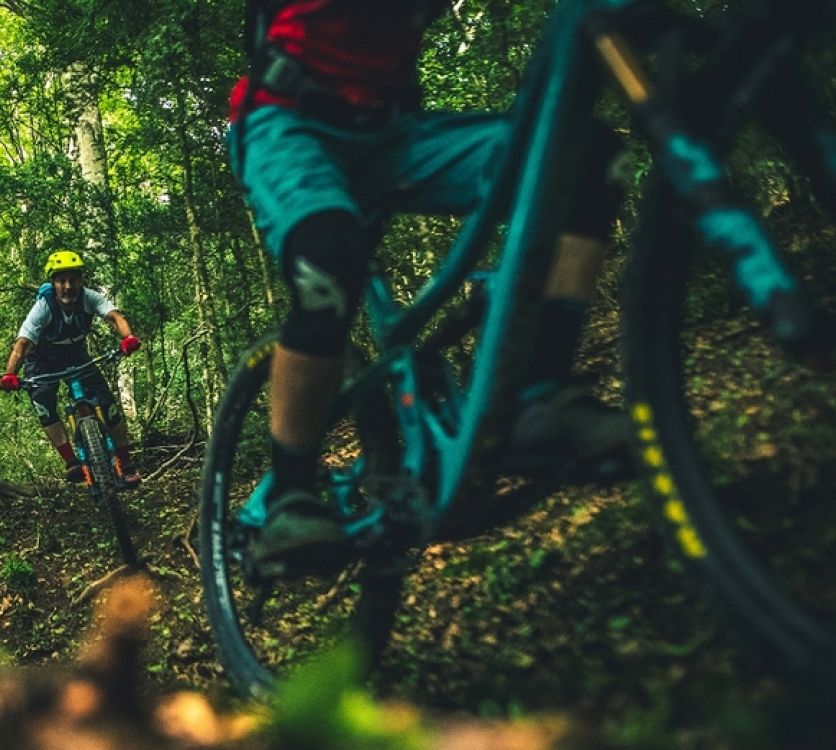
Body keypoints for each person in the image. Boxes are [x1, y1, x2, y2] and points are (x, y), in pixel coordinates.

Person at [229, 0, 635, 571]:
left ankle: (539, 398)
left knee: (586, 158)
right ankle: (291, 495)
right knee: (327, 264)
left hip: (397, 134)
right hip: (286, 120)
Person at [0, 250, 144, 486]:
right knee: (44, 408)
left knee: (109, 409)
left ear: (81, 280)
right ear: (53, 283)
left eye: (73, 279)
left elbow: (115, 317)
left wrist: (128, 338)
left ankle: (126, 465)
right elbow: (22, 344)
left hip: (75, 355)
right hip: (42, 361)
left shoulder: (90, 298)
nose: (68, 286)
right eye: (61, 280)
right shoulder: (43, 307)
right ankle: (71, 462)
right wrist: (10, 374)